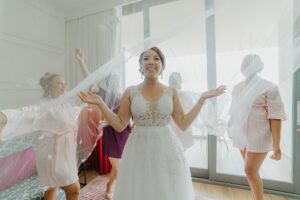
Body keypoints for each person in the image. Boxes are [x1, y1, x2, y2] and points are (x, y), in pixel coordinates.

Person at [78, 46, 226, 200]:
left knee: (167, 189)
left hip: (166, 149)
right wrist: (100, 103)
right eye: (146, 58)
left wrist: (201, 100)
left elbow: (183, 123)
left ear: (162, 66)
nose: (151, 61)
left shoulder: (171, 92)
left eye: (156, 58)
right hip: (138, 149)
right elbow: (120, 124)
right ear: (140, 66)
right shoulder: (130, 91)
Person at [0, 73, 82, 200]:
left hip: (66, 154)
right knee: (74, 189)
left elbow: (78, 108)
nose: (63, 86)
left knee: (51, 189)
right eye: (58, 83)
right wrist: (4, 116)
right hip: (53, 156)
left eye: (64, 83)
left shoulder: (65, 103)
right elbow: (25, 112)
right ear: (49, 87)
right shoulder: (44, 105)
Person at [228, 54, 287, 200]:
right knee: (251, 173)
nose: (245, 67)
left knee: (250, 171)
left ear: (259, 66)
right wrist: (230, 130)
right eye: (244, 64)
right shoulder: (237, 88)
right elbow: (234, 111)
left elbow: (275, 116)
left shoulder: (269, 87)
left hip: (259, 134)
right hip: (240, 134)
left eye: (249, 64)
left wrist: (276, 145)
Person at [75, 48, 131, 199]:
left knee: (118, 166)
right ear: (108, 84)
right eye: (113, 82)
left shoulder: (125, 95)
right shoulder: (103, 94)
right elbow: (89, 79)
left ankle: (109, 186)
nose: (116, 84)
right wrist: (81, 61)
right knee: (120, 169)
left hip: (125, 133)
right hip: (112, 134)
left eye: (118, 82)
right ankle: (123, 193)